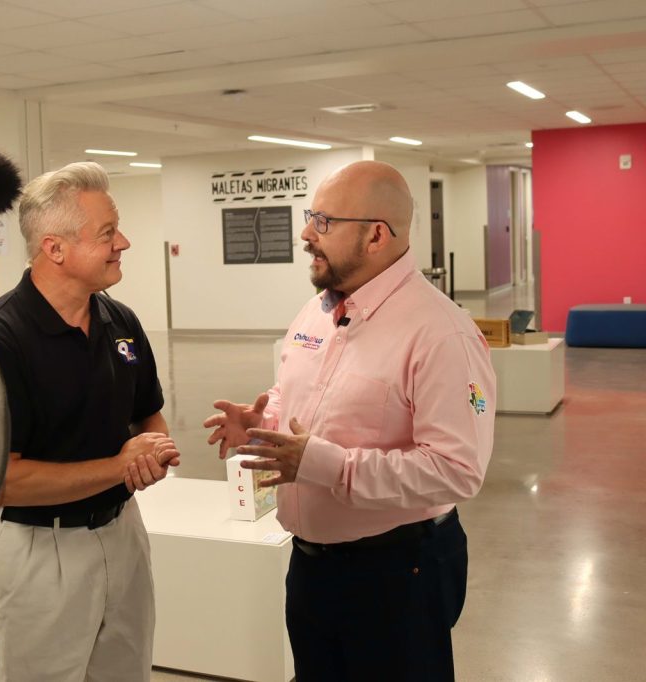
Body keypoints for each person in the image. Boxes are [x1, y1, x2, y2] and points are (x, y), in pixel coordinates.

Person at [204, 160, 496, 681]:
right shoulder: (316, 312)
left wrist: (326, 465)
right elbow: (302, 395)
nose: (306, 234)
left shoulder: (440, 333)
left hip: (397, 572)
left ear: (376, 236)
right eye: (310, 217)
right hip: (312, 565)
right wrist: (264, 420)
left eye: (324, 221)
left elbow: (457, 469)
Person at [0, 161, 178, 681]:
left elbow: (148, 414)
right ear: (55, 249)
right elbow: (1, 482)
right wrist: (120, 466)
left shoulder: (120, 320)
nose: (123, 243)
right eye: (107, 233)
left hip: (124, 533)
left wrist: (154, 450)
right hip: (43, 551)